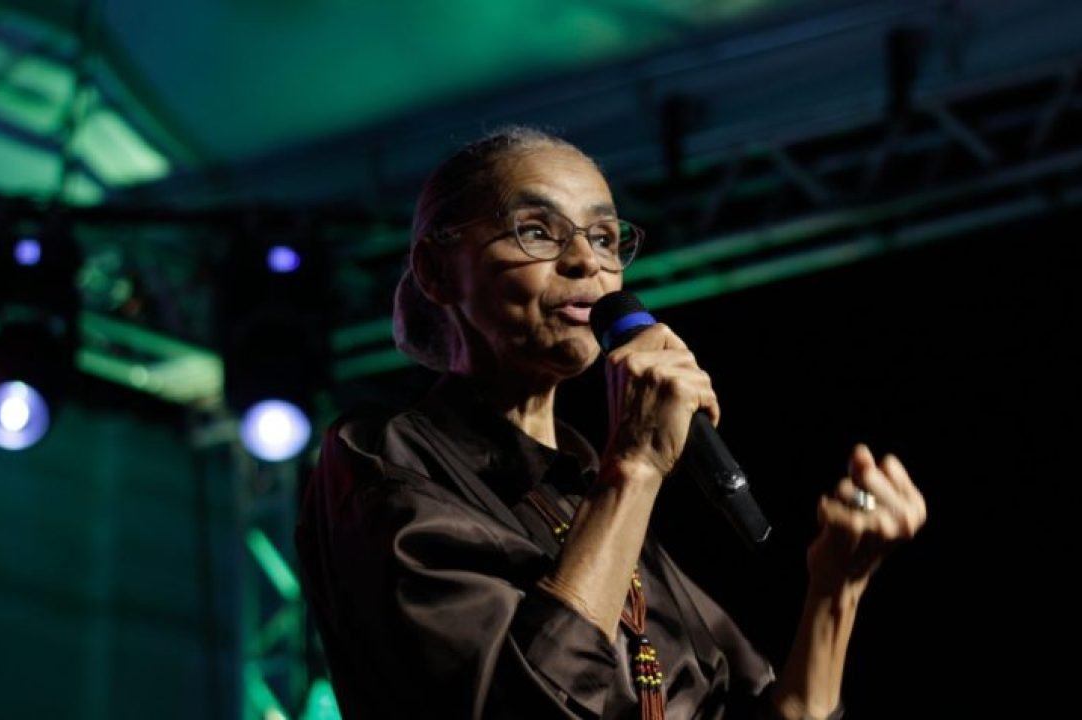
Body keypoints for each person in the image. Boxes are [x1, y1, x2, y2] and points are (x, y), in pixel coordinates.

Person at [294, 126, 927, 719]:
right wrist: (638, 463)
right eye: (537, 231)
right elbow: (524, 705)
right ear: (436, 272)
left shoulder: (581, 485)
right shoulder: (387, 457)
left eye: (603, 238)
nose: (586, 262)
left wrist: (835, 586)